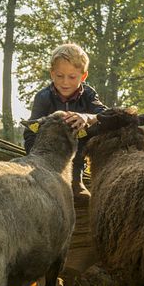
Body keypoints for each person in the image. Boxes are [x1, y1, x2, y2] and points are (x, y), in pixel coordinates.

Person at [23, 43, 106, 201]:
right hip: (47, 156)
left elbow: (105, 114)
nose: (65, 82)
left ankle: (76, 181)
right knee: (33, 133)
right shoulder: (43, 97)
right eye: (60, 76)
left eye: (72, 77)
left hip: (77, 148)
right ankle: (41, 177)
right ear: (52, 74)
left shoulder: (88, 94)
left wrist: (87, 118)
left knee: (88, 130)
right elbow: (30, 130)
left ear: (83, 76)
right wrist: (34, 157)